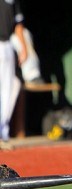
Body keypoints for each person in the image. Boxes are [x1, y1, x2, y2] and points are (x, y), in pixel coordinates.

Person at [0, 0, 27, 150]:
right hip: (4, 47)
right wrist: (24, 47)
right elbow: (18, 26)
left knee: (12, 86)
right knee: (6, 90)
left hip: (6, 44)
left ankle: (3, 133)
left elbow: (18, 24)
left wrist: (23, 47)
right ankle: (2, 134)